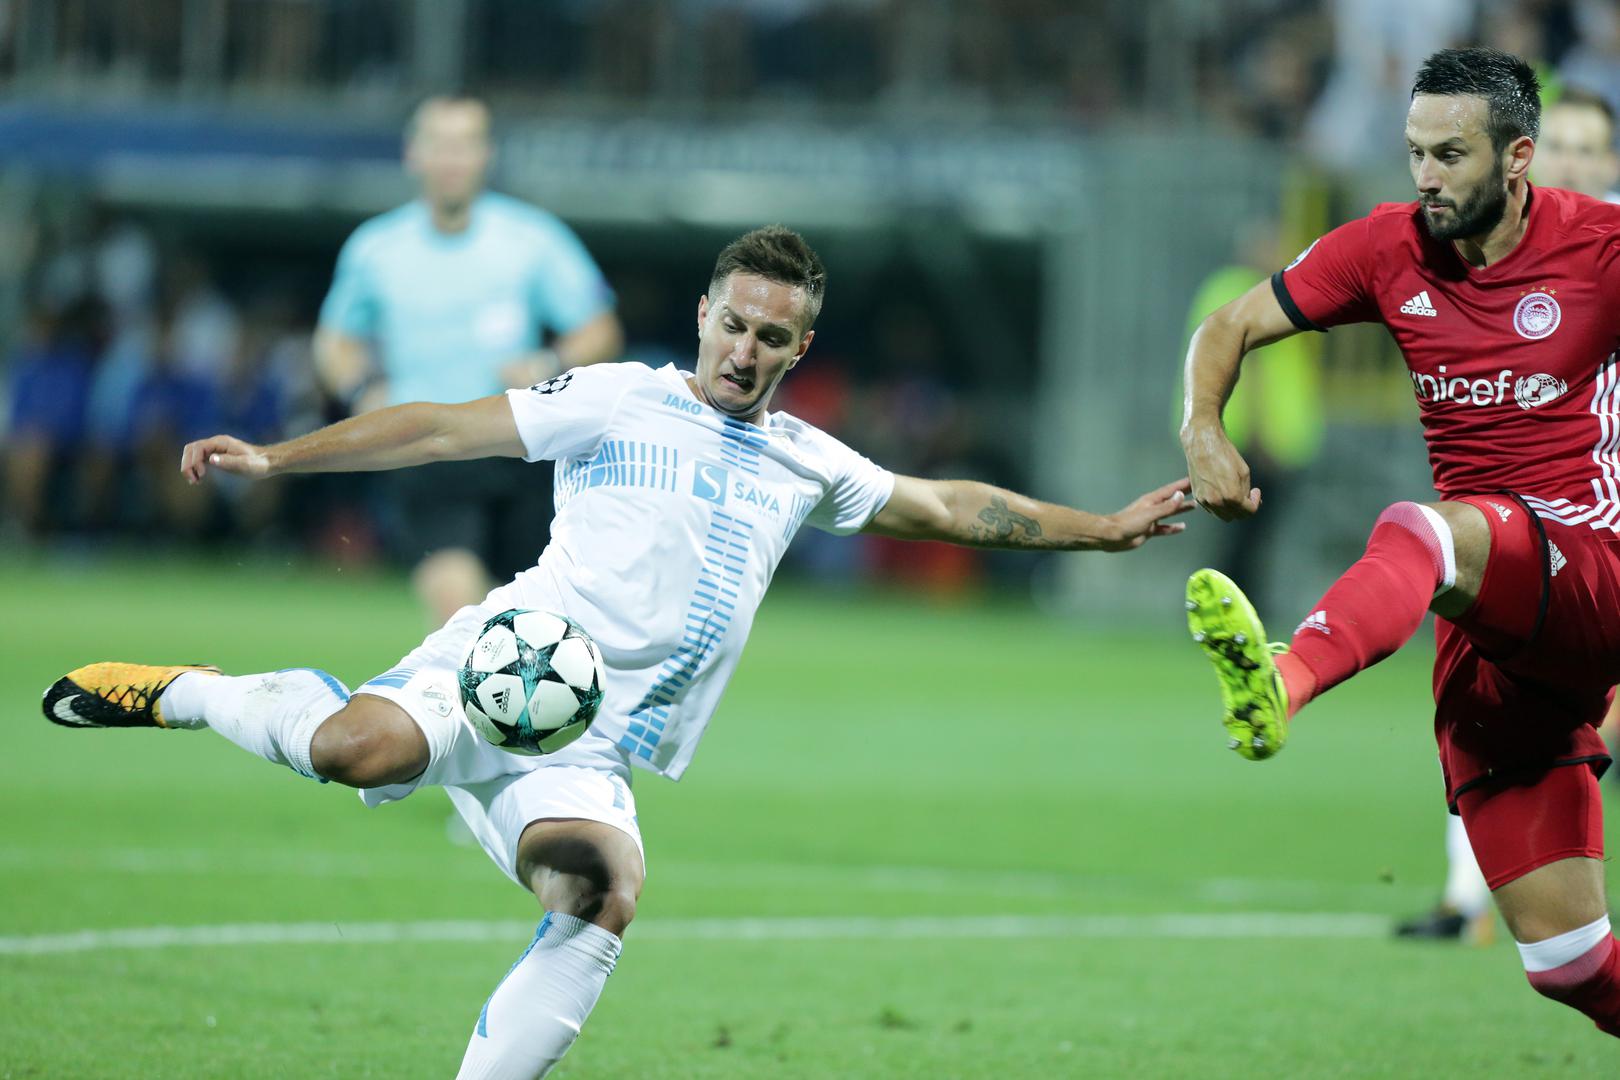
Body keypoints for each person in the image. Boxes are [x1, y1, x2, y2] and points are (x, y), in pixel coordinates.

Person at [42, 226, 1193, 1079]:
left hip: (590, 748)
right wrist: (279, 458)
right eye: (732, 324)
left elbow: (944, 506)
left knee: (603, 889)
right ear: (704, 314)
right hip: (503, 664)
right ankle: (192, 692)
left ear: (800, 347)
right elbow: (442, 426)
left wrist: (1100, 530)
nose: (744, 350)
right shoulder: (615, 399)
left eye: (771, 337)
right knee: (354, 751)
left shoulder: (807, 460)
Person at [1182, 47, 1620, 1038]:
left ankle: (1283, 681)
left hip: (1591, 570)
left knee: (1421, 528)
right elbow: (1227, 326)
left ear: (1517, 157)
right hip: (1488, 617)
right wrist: (1203, 427)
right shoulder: (1387, 248)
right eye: (1415, 152)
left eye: (1450, 155)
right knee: (1569, 964)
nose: (1425, 176)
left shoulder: (1602, 247)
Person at [1394, 79, 1620, 945]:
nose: (1574, 162)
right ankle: (1469, 895)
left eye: (1589, 149)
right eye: (1561, 144)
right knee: (1487, 699)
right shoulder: (1492, 247)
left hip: (1599, 525)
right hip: (1519, 524)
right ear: (1530, 153)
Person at [316, 94, 624, 624]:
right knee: (460, 609)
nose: (452, 159)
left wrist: (549, 359)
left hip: (518, 446)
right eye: (439, 144)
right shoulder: (377, 247)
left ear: (486, 155)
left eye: (465, 145)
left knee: (533, 617)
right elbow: (334, 340)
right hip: (426, 450)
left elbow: (600, 330)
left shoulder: (532, 237)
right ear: (413, 153)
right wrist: (361, 387)